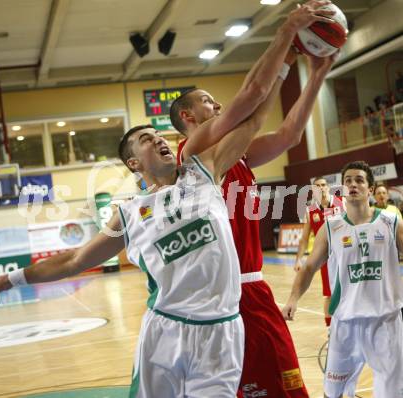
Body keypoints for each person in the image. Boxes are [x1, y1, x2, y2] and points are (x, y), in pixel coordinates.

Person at [0, 5, 333, 396]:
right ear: (132, 162)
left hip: (223, 330)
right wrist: (11, 278)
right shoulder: (130, 212)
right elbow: (75, 260)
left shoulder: (203, 173)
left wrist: (292, 58)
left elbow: (258, 114)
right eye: (146, 139)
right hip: (167, 331)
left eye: (160, 135)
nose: (159, 139)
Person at [171, 29, 338, 398]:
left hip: (250, 285)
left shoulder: (239, 154)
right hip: (224, 290)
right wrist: (285, 49)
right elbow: (251, 102)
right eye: (207, 101)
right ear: (187, 115)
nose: (216, 105)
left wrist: (319, 74)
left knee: (274, 383)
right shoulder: (191, 152)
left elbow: (291, 134)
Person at [282, 161, 403, 398]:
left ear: (369, 190)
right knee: (332, 392)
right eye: (348, 181)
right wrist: (293, 299)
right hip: (346, 324)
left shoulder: (390, 222)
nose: (352, 184)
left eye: (359, 180)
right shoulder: (332, 227)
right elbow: (308, 268)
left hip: (386, 323)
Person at [294, 176, 344, 327]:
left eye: (323, 185)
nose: (321, 188)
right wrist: (298, 259)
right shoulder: (310, 211)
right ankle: (330, 330)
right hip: (325, 257)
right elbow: (304, 238)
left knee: (350, 290)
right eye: (317, 186)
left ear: (328, 187)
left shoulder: (341, 204)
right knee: (329, 294)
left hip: (344, 253)